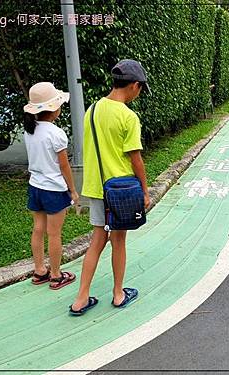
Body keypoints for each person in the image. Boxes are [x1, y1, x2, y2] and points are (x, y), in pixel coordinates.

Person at [69, 59, 151, 316]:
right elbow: (135, 158)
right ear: (135, 85)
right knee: (119, 241)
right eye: (140, 89)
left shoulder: (92, 109)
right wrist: (145, 191)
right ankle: (118, 294)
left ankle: (81, 298)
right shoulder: (128, 116)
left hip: (96, 189)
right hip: (122, 191)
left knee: (96, 241)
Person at [23, 82, 78, 290]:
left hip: (35, 186)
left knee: (38, 230)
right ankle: (56, 275)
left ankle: (39, 271)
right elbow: (64, 166)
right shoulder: (56, 134)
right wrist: (72, 190)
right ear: (54, 108)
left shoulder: (29, 130)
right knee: (54, 234)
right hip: (54, 189)